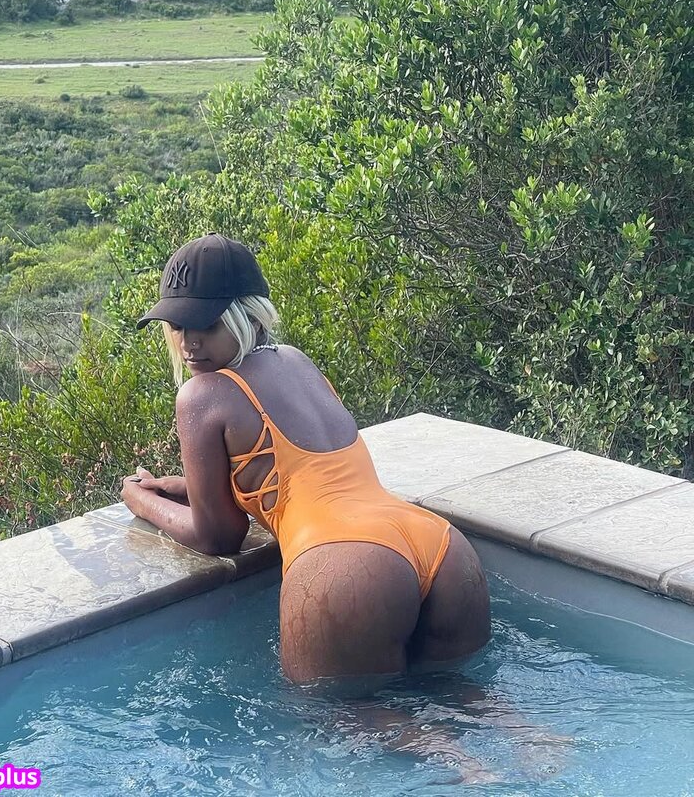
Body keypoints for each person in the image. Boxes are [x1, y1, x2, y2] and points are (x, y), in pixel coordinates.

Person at [121, 233, 491, 687]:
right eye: (178, 326)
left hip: (343, 564)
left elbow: (218, 536)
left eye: (208, 325)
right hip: (440, 548)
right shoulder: (295, 360)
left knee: (345, 724)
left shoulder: (201, 394)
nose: (189, 343)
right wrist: (187, 486)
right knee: (473, 703)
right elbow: (303, 473)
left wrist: (141, 501)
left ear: (249, 318)